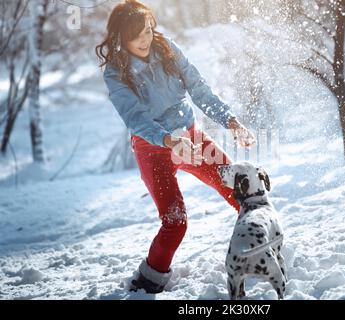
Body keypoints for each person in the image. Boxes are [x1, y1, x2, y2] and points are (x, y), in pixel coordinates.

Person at [95, 0, 256, 294]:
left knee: (239, 189)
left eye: (147, 30)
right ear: (122, 37)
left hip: (192, 139)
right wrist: (169, 141)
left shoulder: (165, 48)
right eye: (136, 35)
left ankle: (259, 248)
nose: (144, 39)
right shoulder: (116, 72)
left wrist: (231, 121)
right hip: (153, 148)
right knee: (175, 222)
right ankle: (149, 279)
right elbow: (135, 117)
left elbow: (198, 87)